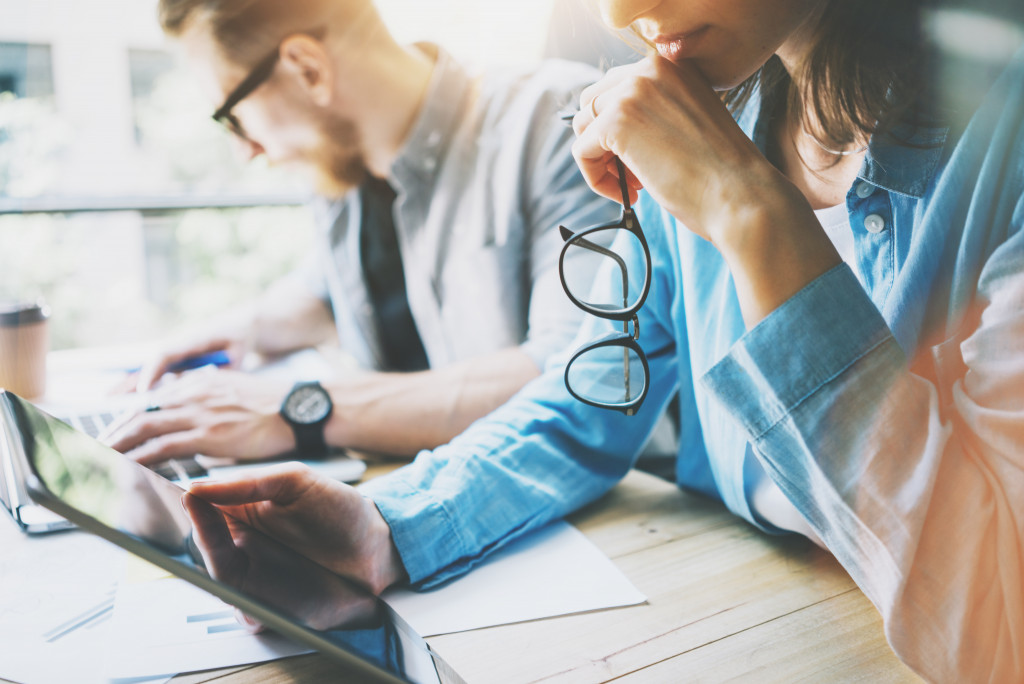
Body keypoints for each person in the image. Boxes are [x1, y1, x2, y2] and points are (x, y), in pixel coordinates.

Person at [184, 0, 1024, 681]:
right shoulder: (703, 113)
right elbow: (587, 399)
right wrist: (388, 526)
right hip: (732, 605)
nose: (621, 13)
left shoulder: (1004, 142)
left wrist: (747, 211)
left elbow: (993, 623)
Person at [104, 0, 619, 464]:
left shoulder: (561, 122)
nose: (246, 149)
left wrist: (300, 407)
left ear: (309, 69)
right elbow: (326, 291)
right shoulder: (340, 166)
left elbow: (579, 373)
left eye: (232, 116)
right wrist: (243, 331)